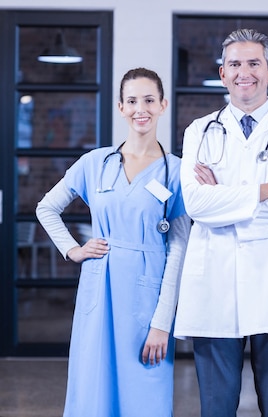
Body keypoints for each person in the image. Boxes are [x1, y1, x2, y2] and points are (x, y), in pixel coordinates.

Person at [173, 28, 268, 417]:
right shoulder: (199, 131)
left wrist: (228, 204)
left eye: (254, 63)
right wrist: (265, 190)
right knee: (217, 408)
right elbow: (198, 204)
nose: (244, 72)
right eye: (234, 64)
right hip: (214, 287)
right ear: (223, 73)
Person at [36, 67, 190, 417]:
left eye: (149, 100)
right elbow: (47, 207)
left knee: (145, 394)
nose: (141, 109)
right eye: (132, 100)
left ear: (163, 105)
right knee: (94, 390)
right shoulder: (95, 163)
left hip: (147, 297)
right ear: (121, 107)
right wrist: (73, 249)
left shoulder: (176, 171)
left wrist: (162, 322)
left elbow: (179, 248)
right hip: (99, 291)